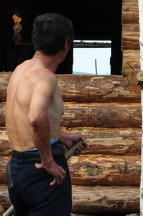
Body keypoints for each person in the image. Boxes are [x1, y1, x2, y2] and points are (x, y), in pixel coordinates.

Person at [5, 13, 89, 216]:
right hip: (41, 172)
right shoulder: (45, 77)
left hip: (18, 170)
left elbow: (23, 119)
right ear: (66, 44)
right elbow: (35, 118)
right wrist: (49, 162)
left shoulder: (20, 70)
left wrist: (60, 136)